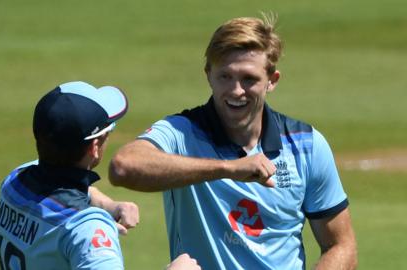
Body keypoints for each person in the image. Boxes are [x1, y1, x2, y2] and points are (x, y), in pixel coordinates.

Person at [109, 15, 358, 269]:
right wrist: (227, 169)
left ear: (272, 80)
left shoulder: (307, 145)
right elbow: (123, 167)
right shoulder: (181, 133)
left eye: (249, 79)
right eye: (225, 77)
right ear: (208, 75)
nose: (236, 91)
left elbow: (341, 245)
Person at [0, 81, 200, 270]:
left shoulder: (14, 182)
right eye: (107, 133)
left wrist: (107, 205)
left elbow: (60, 186)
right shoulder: (87, 228)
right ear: (94, 147)